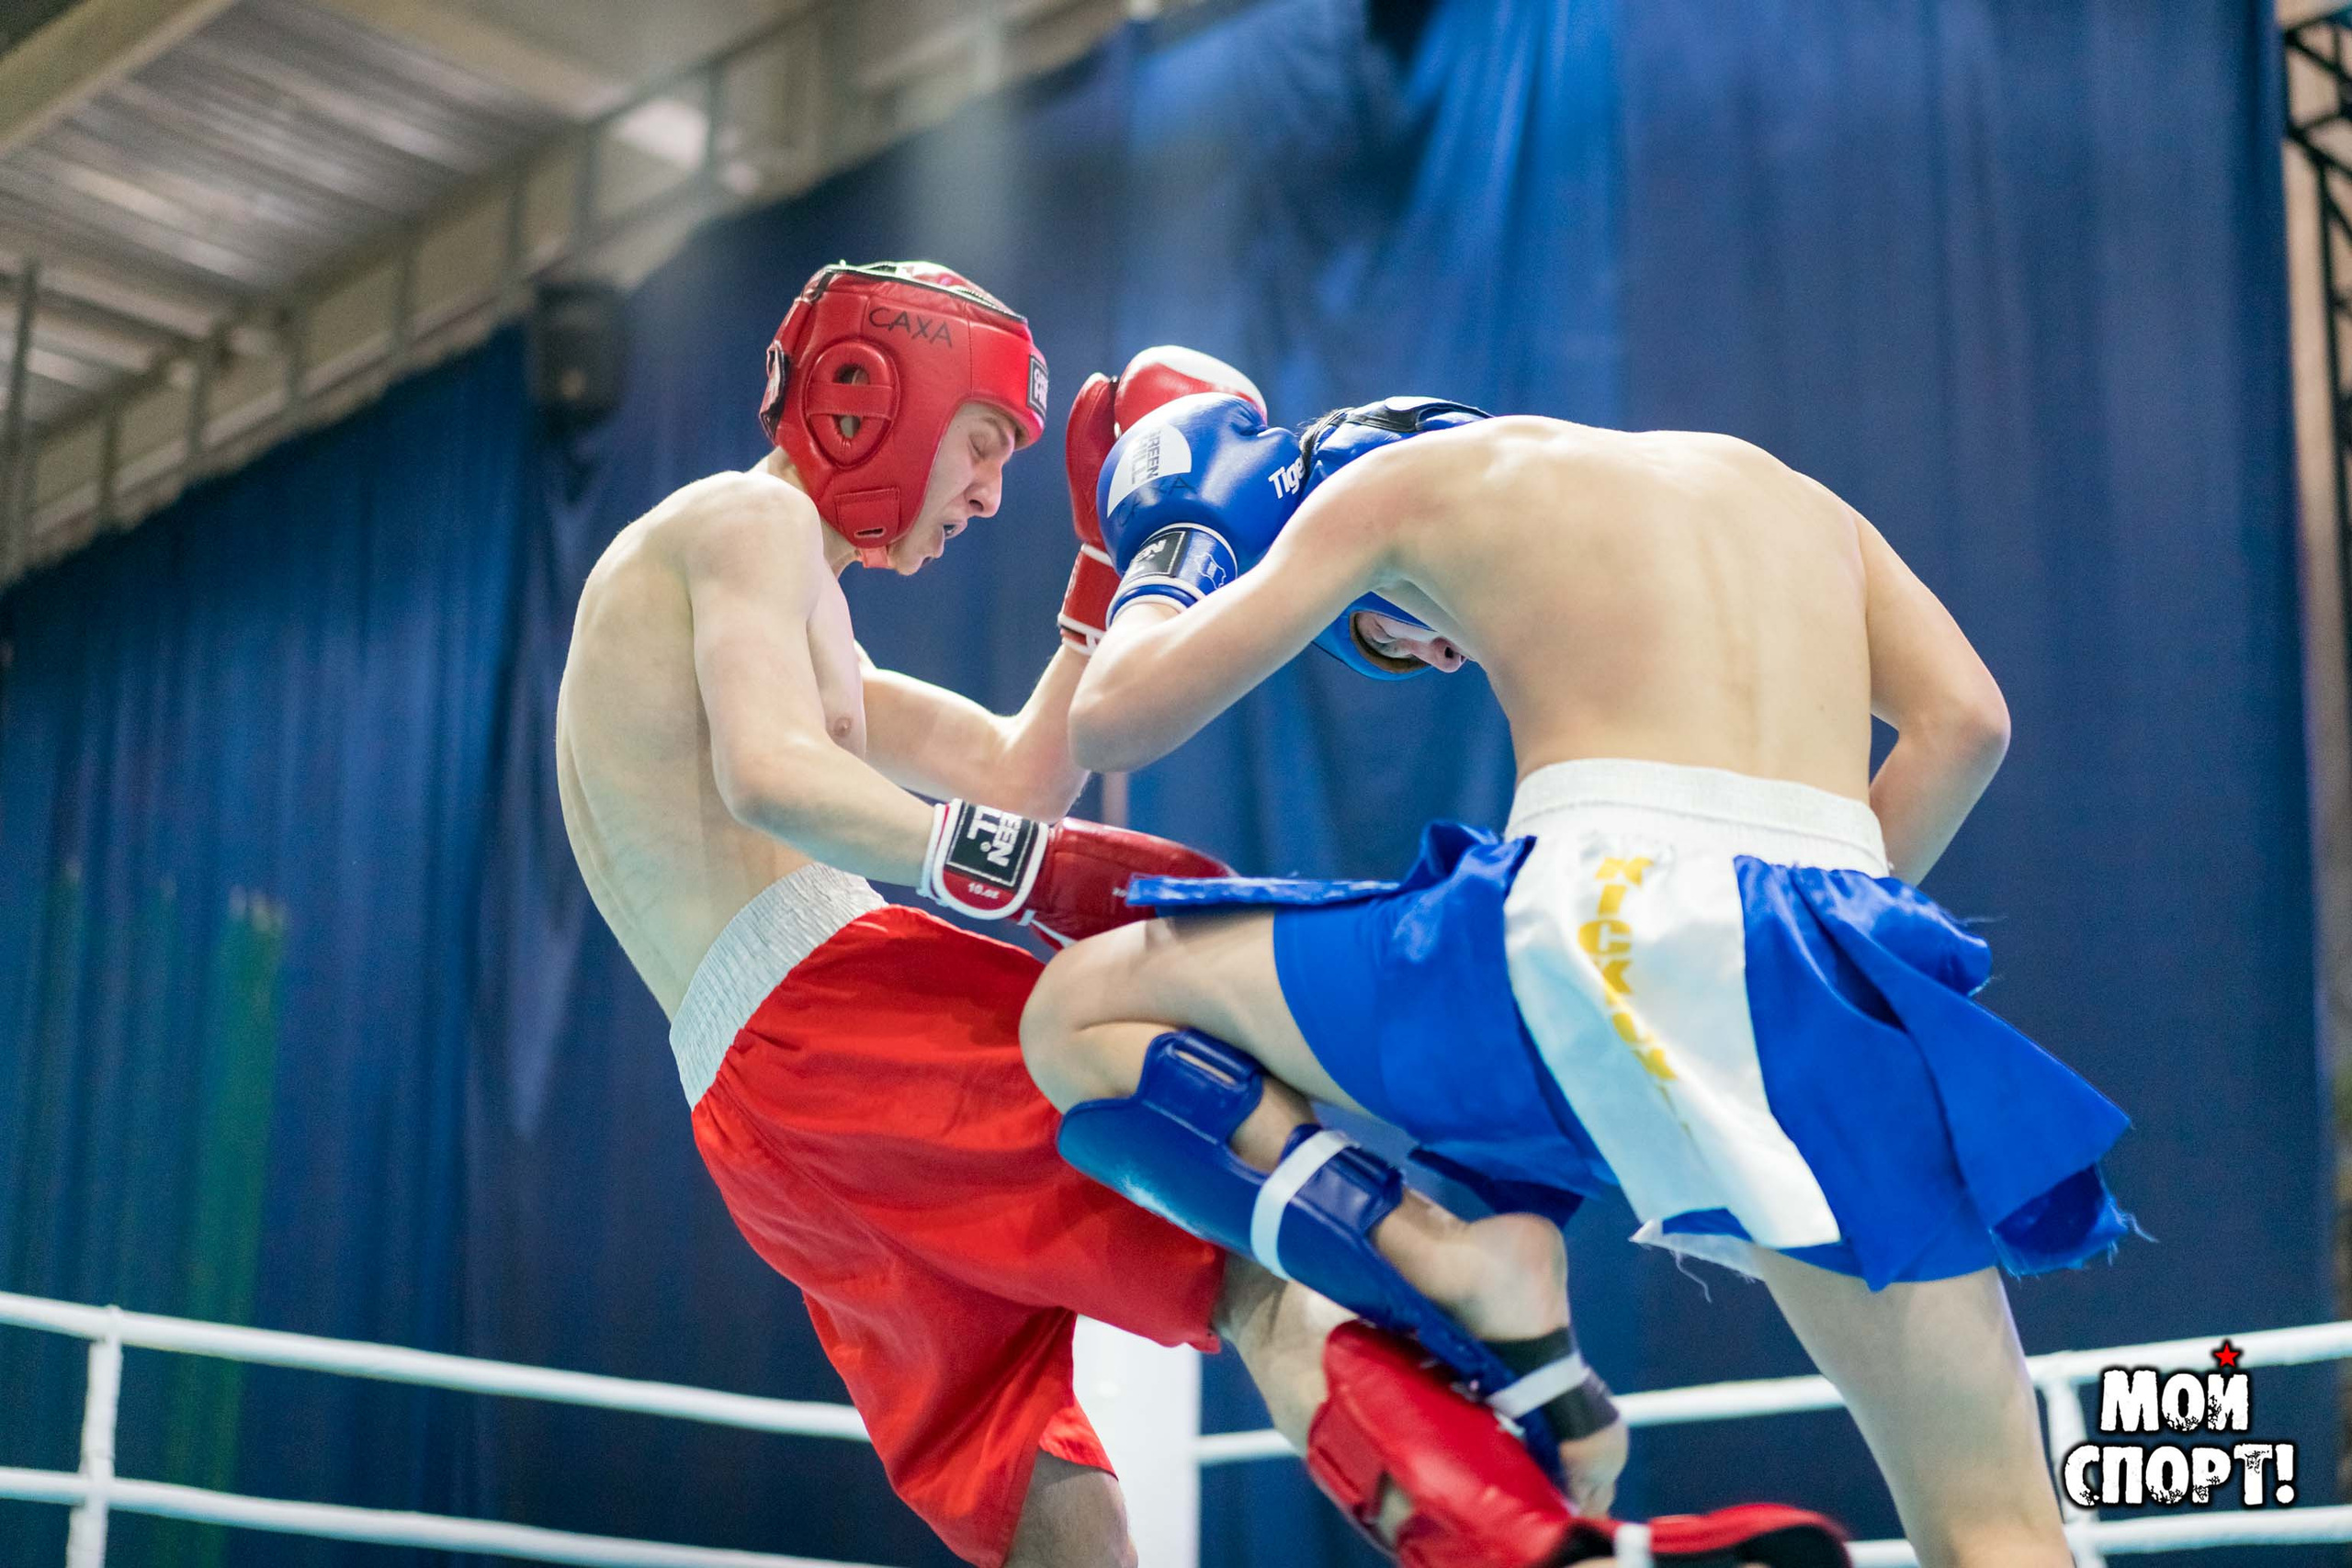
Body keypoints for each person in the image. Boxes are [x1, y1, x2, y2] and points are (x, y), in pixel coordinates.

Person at [554, 263, 1613, 1568]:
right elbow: (773, 775)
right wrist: (1016, 868)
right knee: (1248, 1221)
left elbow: (1012, 767)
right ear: (867, 396)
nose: (990, 491)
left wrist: (1109, 569)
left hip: (757, 1114)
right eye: (985, 440)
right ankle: (1529, 1518)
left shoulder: (780, 602)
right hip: (829, 1012)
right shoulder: (740, 526)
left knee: (1034, 1474)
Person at [1018, 391, 2132, 1568]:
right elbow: (1967, 724)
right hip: (1836, 969)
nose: (1436, 649)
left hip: (1577, 929)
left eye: (1388, 628)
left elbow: (1112, 721)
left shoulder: (1394, 484)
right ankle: (1509, 1312)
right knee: (1997, 1522)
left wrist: (1173, 543)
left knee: (1082, 1008)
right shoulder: (1801, 500)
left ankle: (1456, 1259)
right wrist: (1767, 962)